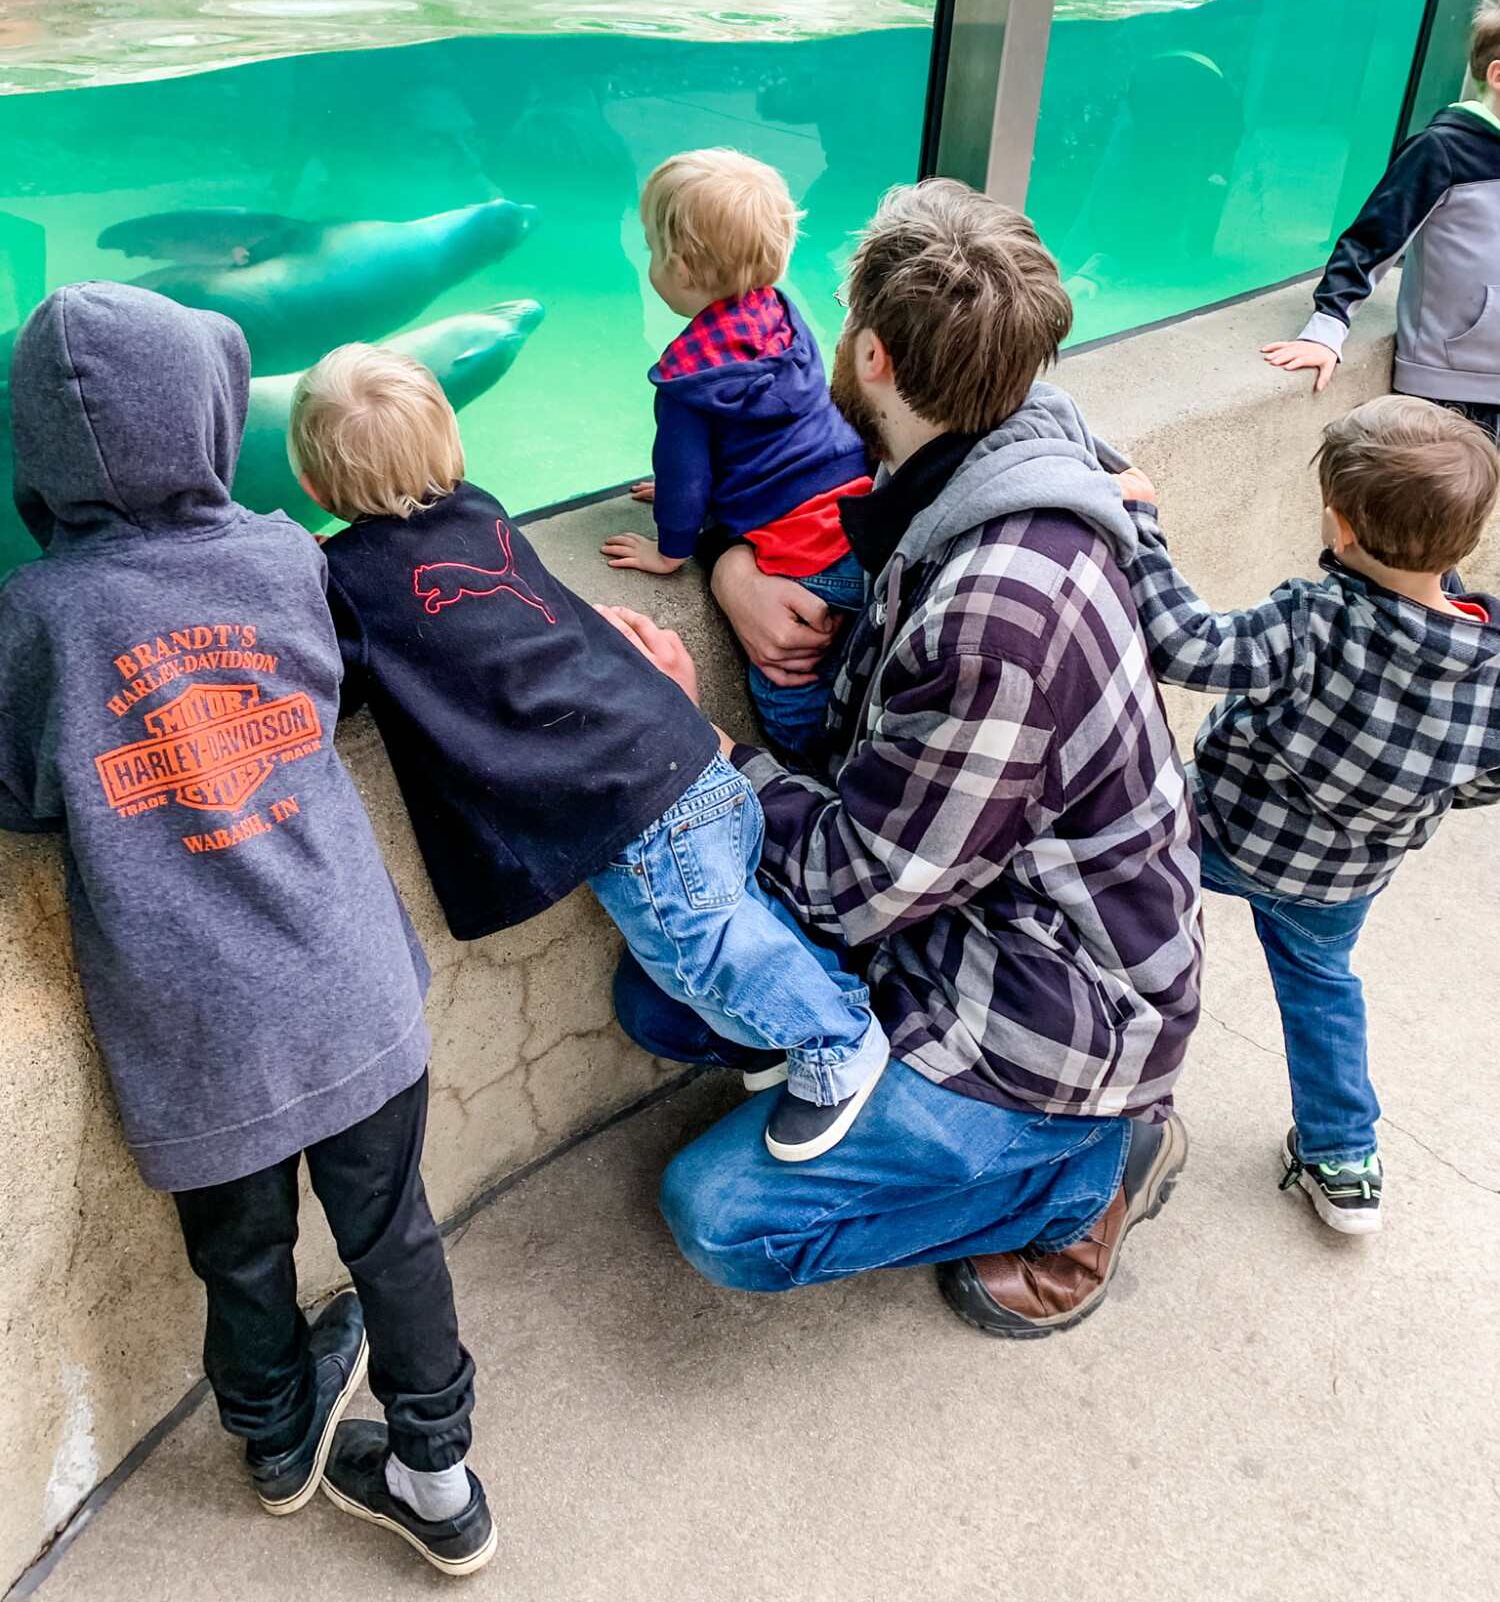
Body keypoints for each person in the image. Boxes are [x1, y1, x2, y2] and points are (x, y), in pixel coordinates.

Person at [606, 180, 1203, 1338]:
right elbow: (800, 504)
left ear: (870, 354)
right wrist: (731, 564)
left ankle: (1087, 1170)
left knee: (723, 1217)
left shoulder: (1000, 612)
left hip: (1046, 1004)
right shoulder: (1011, 435)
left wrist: (707, 747)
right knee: (663, 999)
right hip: (959, 893)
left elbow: (854, 881)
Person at [0, 284, 494, 1576]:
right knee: (394, 1234)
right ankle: (437, 1480)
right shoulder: (282, 554)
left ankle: (275, 1448)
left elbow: (20, 791)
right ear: (211, 413)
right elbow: (327, 690)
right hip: (346, 986)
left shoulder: (35, 619)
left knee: (242, 1254)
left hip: (195, 1026)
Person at [289, 344, 889, 1164]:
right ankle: (783, 1031)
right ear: (452, 450)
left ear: (314, 488)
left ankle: (836, 1042)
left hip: (640, 811)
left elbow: (329, 679)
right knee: (730, 931)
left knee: (698, 952)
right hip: (687, 753)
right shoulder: (482, 509)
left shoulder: (346, 581)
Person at [1115, 396, 1500, 1235]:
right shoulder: (1491, 666)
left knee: (1100, 863)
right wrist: (1412, 802)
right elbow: (1482, 780)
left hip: (1217, 826)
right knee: (1323, 991)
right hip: (1342, 879)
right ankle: (1343, 1164)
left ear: (1338, 527)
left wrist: (1140, 525)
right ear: (1465, 540)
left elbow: (1188, 646)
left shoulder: (1314, 617)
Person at [598, 148, 871, 758]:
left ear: (681, 267)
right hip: (856, 520)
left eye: (650, 247)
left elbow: (684, 475)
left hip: (802, 557)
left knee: (786, 679)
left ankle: (808, 761)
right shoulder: (783, 317)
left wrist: (671, 550)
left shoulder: (687, 381)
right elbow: (777, 425)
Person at [1263, 0, 1500, 439]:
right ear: (1498, 76)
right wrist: (1326, 330)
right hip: (1451, 388)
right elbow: (1371, 240)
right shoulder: (1442, 150)